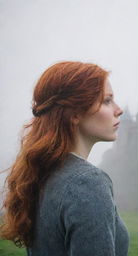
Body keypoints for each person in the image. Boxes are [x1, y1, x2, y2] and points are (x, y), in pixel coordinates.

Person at [0, 61, 130, 255]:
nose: (119, 110)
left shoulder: (43, 175)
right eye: (106, 101)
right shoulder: (87, 182)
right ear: (76, 113)